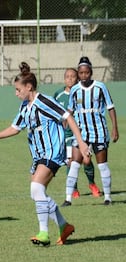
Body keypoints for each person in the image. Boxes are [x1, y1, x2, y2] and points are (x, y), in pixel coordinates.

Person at [0, 62, 90, 246]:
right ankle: (64, 226)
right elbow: (15, 127)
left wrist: (81, 143)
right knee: (38, 194)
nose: (16, 93)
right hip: (38, 155)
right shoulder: (24, 106)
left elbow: (67, 116)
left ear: (29, 87)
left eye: (18, 89)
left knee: (36, 189)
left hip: (52, 152)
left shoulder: (43, 101)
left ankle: (43, 234)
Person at [63, 56, 119, 206]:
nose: (83, 76)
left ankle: (108, 197)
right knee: (74, 164)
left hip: (99, 132)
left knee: (102, 165)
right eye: (81, 73)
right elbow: (70, 108)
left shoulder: (100, 87)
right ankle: (68, 198)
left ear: (91, 72)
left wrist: (115, 128)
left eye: (86, 73)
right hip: (81, 133)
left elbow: (110, 107)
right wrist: (65, 120)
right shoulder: (75, 90)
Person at [54, 68, 100, 200]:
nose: (69, 79)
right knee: (71, 162)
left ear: (77, 78)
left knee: (86, 160)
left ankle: (92, 183)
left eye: (72, 76)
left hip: (83, 133)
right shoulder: (58, 94)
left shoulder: (82, 92)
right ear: (64, 79)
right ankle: (74, 189)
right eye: (67, 76)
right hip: (67, 135)